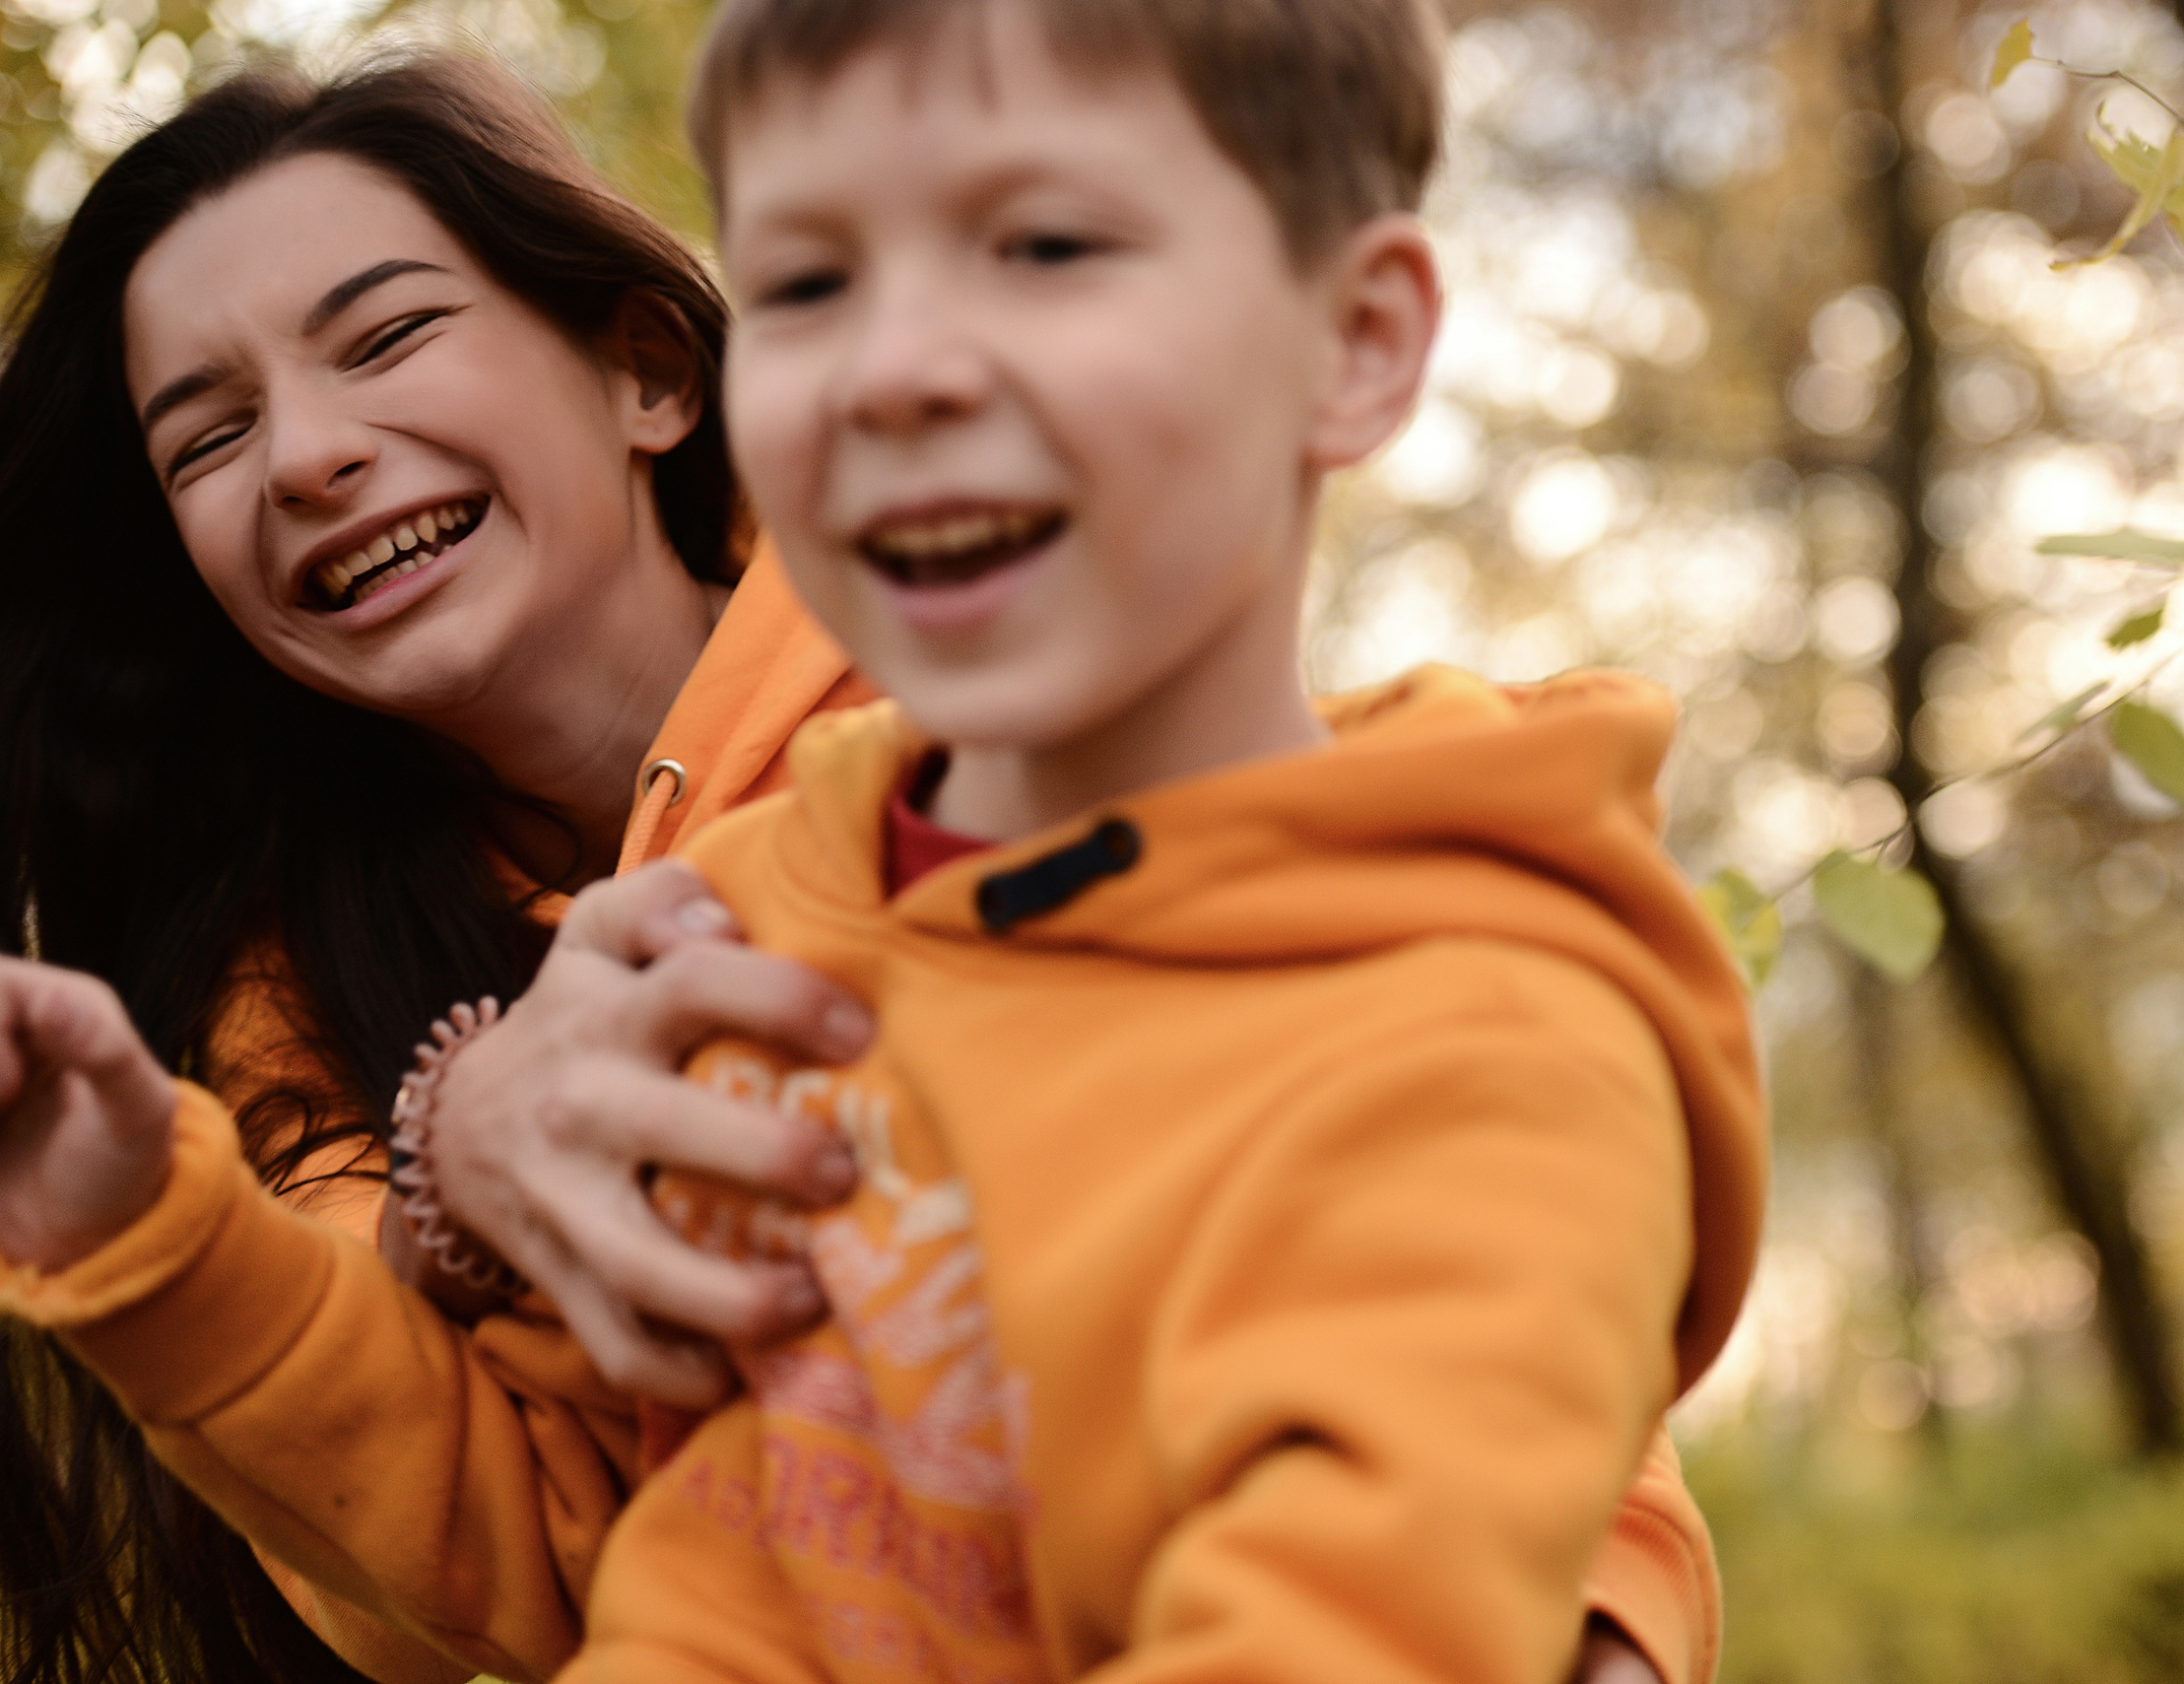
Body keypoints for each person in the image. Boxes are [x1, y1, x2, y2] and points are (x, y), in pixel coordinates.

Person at [0, 44, 1726, 1684]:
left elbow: (1447, 1226)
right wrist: (160, 1239)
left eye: (383, 338)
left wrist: (1590, 1589)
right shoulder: (285, 1007)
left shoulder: (1030, 730)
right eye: (207, 438)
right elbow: (556, 1548)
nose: (304, 455)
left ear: (653, 373)